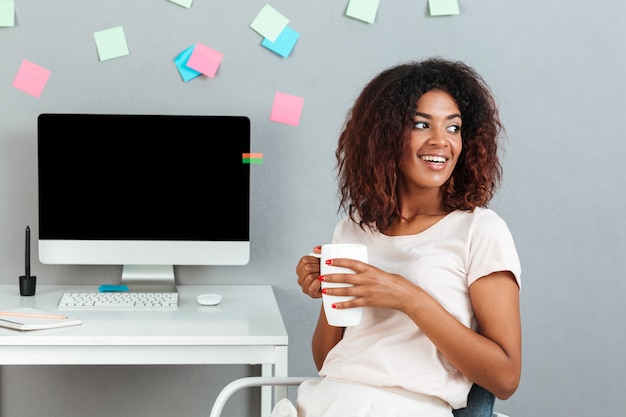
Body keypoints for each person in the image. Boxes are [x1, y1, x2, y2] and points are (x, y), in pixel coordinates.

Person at [294, 57, 521, 417]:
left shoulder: (480, 230)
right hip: (326, 402)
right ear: (384, 136)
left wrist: (409, 298)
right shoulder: (353, 228)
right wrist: (328, 291)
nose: (441, 141)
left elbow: (505, 378)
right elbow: (329, 359)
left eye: (453, 127)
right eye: (420, 124)